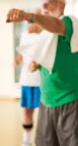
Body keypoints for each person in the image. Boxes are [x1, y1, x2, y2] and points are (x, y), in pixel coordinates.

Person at [7, 0, 78, 146]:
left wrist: (29, 17)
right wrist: (36, 64)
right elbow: (50, 55)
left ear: (62, 5)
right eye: (42, 3)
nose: (44, 6)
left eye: (49, 2)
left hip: (69, 98)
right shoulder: (45, 32)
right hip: (46, 100)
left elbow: (57, 25)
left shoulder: (70, 22)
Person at [14, 9, 42, 146]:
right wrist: (17, 60)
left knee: (45, 114)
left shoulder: (45, 34)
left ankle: (45, 141)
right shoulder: (24, 34)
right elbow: (23, 52)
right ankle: (26, 141)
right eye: (28, 20)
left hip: (42, 81)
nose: (28, 22)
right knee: (26, 111)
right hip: (26, 80)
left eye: (32, 19)